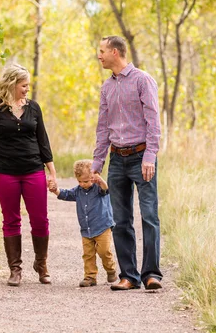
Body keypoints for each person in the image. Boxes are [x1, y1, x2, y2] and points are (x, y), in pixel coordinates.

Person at [91, 35, 163, 291]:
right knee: (120, 220)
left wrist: (150, 155)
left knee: (149, 216)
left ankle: (152, 274)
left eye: (101, 51)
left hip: (141, 158)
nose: (98, 55)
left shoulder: (142, 80)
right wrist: (97, 162)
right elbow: (103, 128)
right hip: (117, 159)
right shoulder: (106, 87)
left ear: (115, 52)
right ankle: (129, 276)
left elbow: (153, 121)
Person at [0, 64, 56, 287]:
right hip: (5, 172)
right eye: (24, 85)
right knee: (11, 220)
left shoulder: (34, 108)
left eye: (28, 85)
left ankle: (41, 265)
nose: (27, 89)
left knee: (40, 219)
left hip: (33, 170)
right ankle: (15, 270)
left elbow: (43, 141)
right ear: (12, 84)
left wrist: (52, 172)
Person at [48, 160, 117, 287]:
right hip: (86, 229)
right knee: (88, 254)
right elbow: (66, 194)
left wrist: (100, 180)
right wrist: (55, 190)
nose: (83, 184)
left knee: (104, 251)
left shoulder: (98, 188)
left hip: (102, 226)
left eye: (86, 181)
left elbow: (105, 188)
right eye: (80, 181)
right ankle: (90, 277)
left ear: (93, 177)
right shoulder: (78, 190)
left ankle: (110, 269)